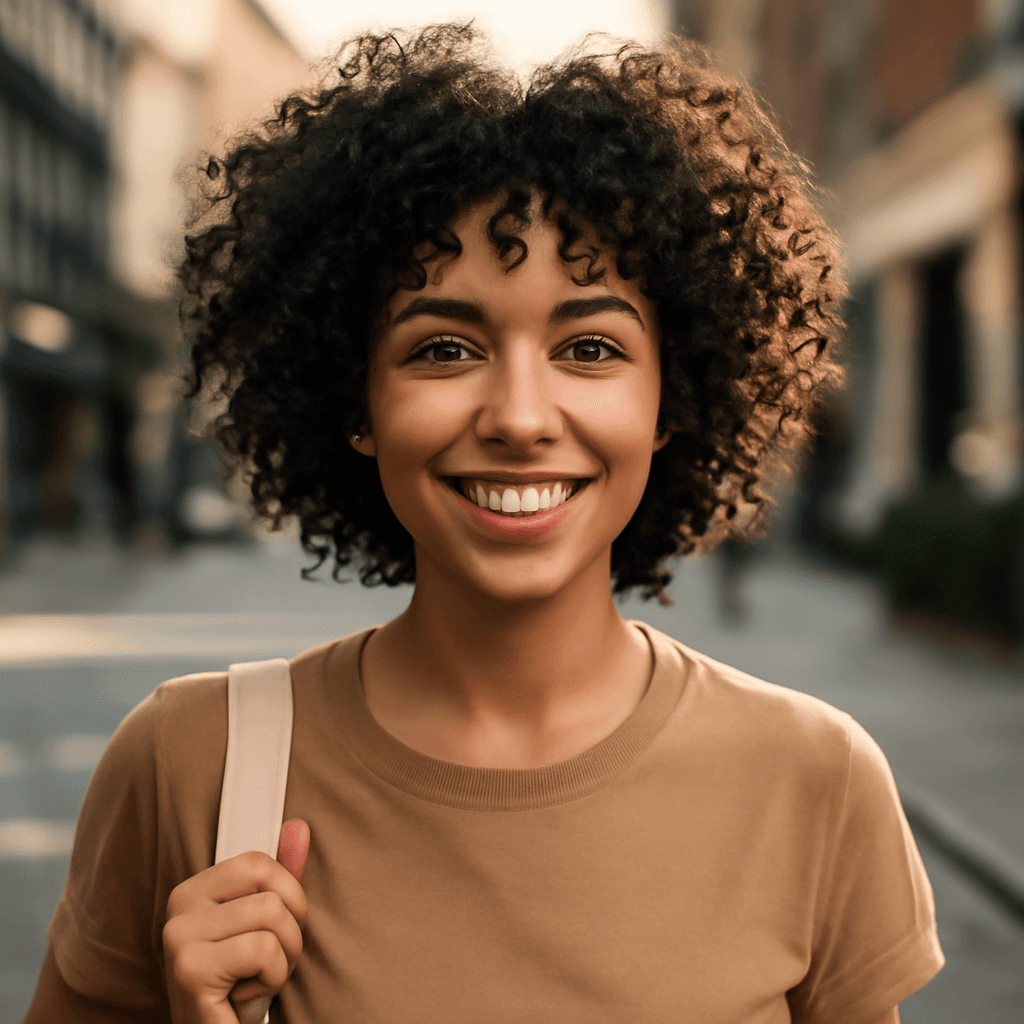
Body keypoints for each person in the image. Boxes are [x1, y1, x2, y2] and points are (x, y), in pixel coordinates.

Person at [24, 24, 944, 1024]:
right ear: (354, 401)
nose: (516, 415)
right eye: (443, 349)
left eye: (589, 347)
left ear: (670, 399)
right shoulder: (184, 763)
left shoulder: (815, 780)